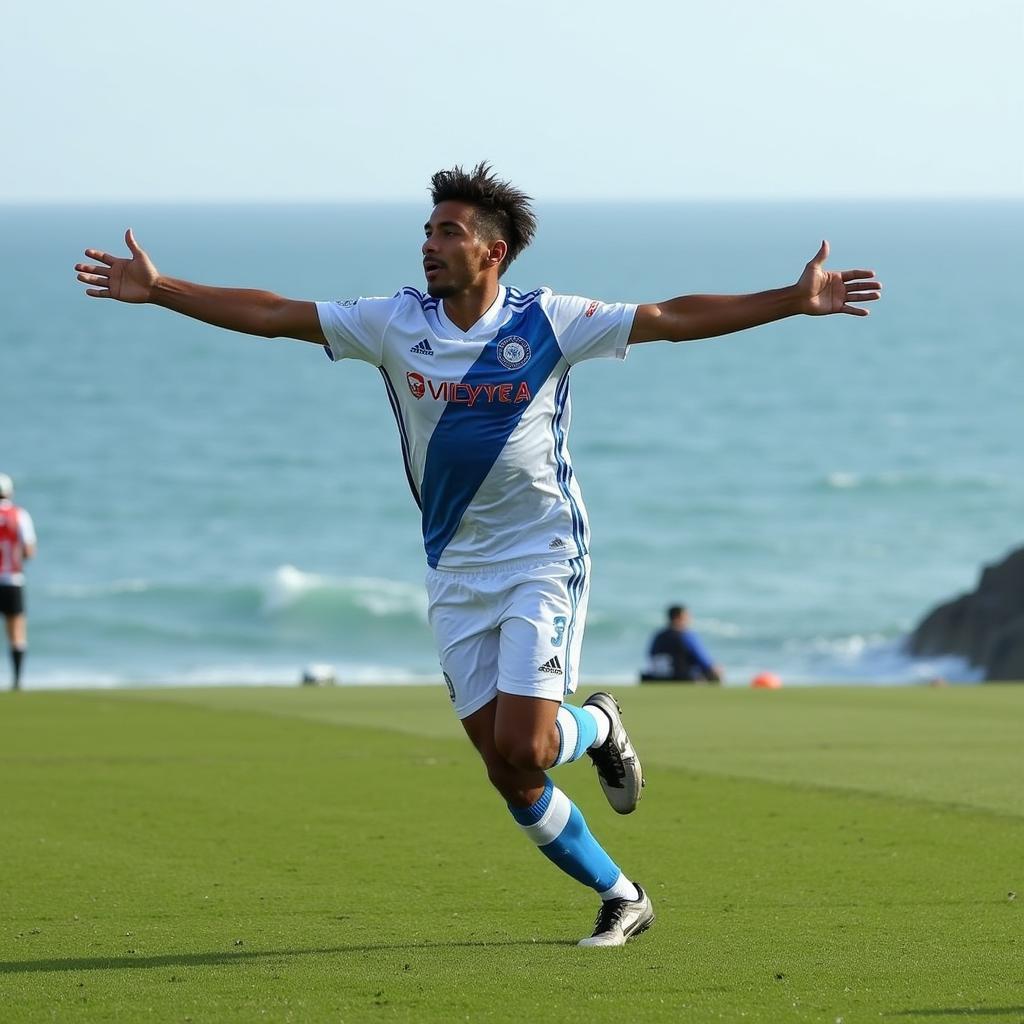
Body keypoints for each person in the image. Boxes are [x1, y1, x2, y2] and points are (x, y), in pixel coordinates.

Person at [74, 163, 881, 946]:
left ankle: (598, 724)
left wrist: (791, 301)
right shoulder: (394, 323)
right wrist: (163, 290)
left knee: (526, 744)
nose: (429, 244)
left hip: (541, 556)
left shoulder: (550, 321)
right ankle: (622, 895)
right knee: (508, 775)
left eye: (448, 232)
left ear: (492, 252)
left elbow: (669, 317)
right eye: (426, 230)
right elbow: (278, 313)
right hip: (454, 569)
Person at [0, 474, 37, 691]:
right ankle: (17, 681)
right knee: (17, 632)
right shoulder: (19, 515)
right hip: (12, 579)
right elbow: (30, 551)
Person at [641, 605, 723, 683]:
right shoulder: (686, 635)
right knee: (716, 672)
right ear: (678, 618)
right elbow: (703, 661)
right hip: (683, 677)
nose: (690, 619)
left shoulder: (658, 636)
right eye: (687, 616)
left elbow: (650, 656)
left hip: (657, 677)